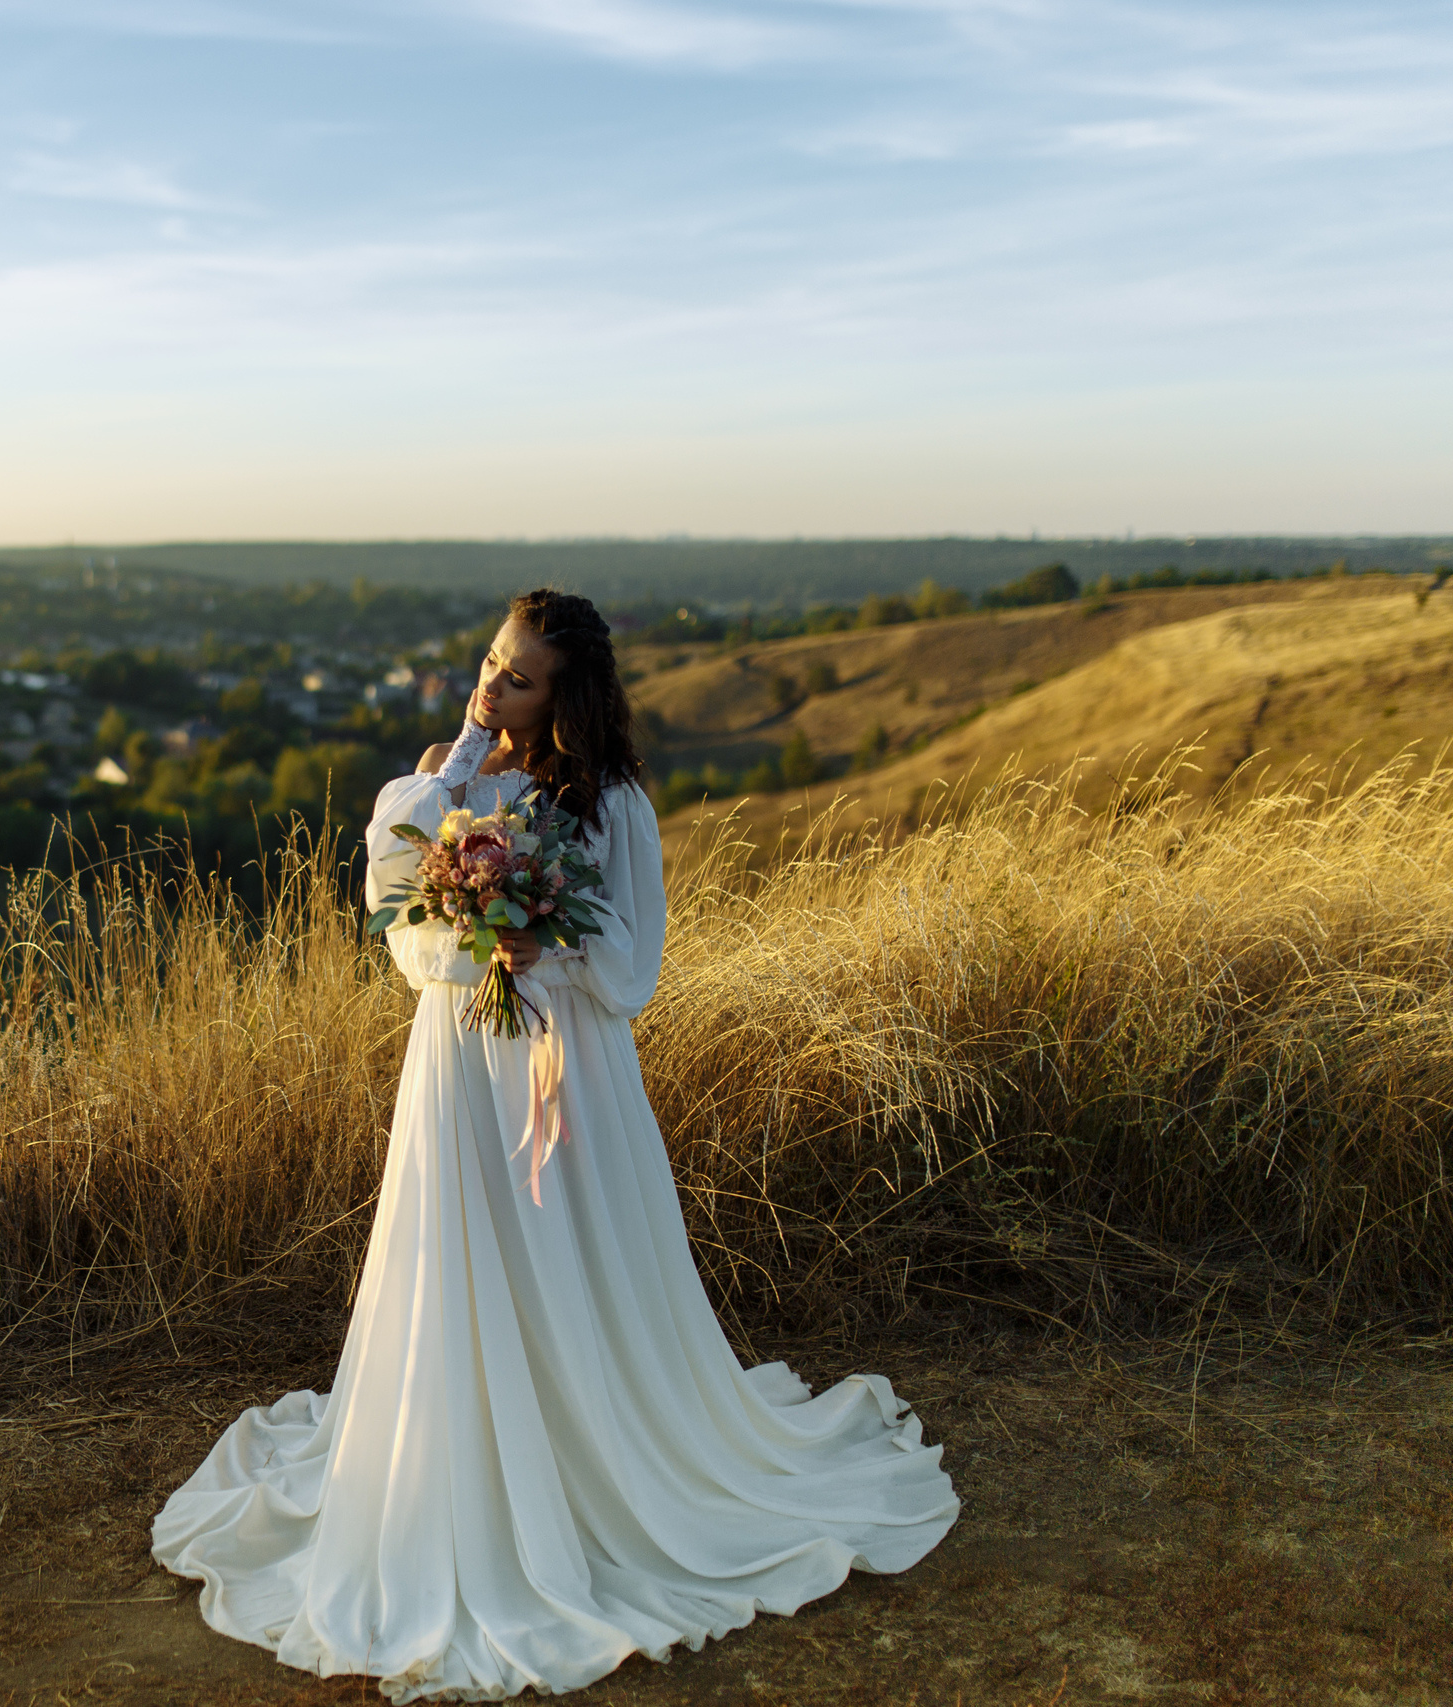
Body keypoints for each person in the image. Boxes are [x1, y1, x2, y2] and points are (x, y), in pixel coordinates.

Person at [151, 589, 959, 1702]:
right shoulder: (446, 769)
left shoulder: (611, 801)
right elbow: (390, 899)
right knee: (460, 1254)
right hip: (456, 1065)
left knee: (564, 1249)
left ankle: (593, 1460)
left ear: (567, 695)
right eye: (489, 660)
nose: (492, 685)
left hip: (561, 1066)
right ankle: (456, 1462)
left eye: (518, 677)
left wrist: (543, 945)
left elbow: (634, 968)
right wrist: (462, 822)